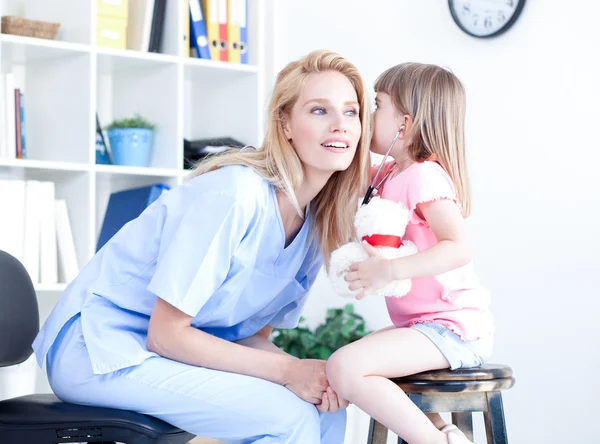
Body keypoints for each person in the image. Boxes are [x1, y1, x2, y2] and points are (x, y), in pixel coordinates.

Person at [31, 50, 371, 444]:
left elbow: (251, 335)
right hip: (101, 350)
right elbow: (167, 334)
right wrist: (287, 373)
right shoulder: (236, 194)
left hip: (163, 353)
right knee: (285, 418)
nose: (340, 126)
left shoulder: (315, 225)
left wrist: (311, 376)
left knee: (324, 412)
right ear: (285, 124)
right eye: (319, 111)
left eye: (351, 112)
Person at [326, 63, 494, 444]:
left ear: (403, 124)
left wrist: (389, 270)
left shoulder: (423, 175)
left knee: (345, 367)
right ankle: (445, 434)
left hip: (453, 329)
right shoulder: (386, 174)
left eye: (375, 105)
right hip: (424, 326)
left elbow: (458, 247)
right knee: (351, 363)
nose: (367, 116)